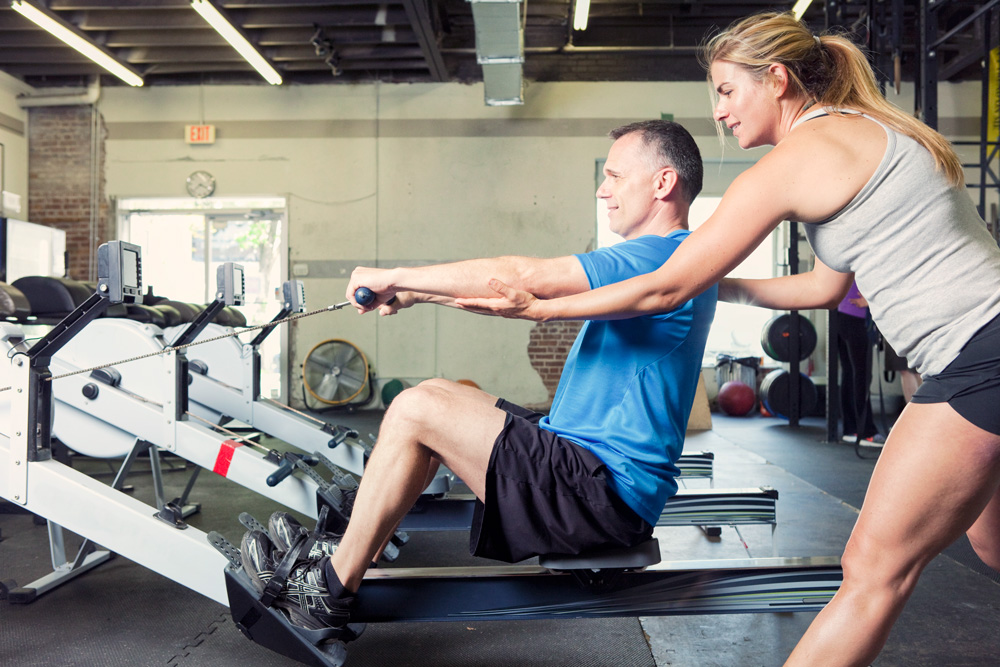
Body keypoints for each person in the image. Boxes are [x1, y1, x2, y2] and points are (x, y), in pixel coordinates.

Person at [455, 11, 1000, 666]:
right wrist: (726, 283)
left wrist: (541, 309)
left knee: (872, 571)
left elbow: (662, 288)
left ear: (775, 80)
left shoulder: (801, 157)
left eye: (725, 90)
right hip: (977, 354)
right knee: (993, 544)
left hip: (979, 356)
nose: (718, 112)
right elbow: (825, 287)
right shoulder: (861, 133)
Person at [238, 120, 717, 634]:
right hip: (587, 475)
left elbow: (522, 277)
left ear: (663, 183)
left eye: (615, 176)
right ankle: (353, 550)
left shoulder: (658, 257)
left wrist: (395, 275)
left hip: (599, 498)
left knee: (416, 410)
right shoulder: (674, 262)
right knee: (444, 393)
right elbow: (515, 301)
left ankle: (328, 591)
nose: (603, 189)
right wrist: (423, 294)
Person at [834, 282, 883, 444]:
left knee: (850, 373)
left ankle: (851, 430)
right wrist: (872, 301)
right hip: (855, 316)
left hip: (842, 315)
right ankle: (866, 431)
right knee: (860, 375)